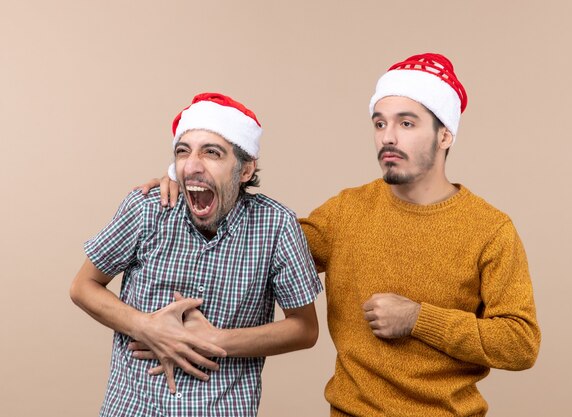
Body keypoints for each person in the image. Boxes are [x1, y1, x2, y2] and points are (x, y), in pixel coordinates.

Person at [142, 53, 541, 416]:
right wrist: (188, 181)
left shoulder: (489, 229)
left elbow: (521, 343)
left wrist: (420, 319)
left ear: (445, 135)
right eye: (380, 123)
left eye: (407, 123)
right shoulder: (348, 211)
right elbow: (253, 244)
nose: (388, 136)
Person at [70, 92, 323, 417]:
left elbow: (304, 329)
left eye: (212, 153)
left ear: (245, 169)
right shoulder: (147, 209)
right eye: (182, 152)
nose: (192, 166)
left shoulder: (277, 226)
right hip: (133, 408)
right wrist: (145, 326)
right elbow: (82, 286)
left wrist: (216, 340)